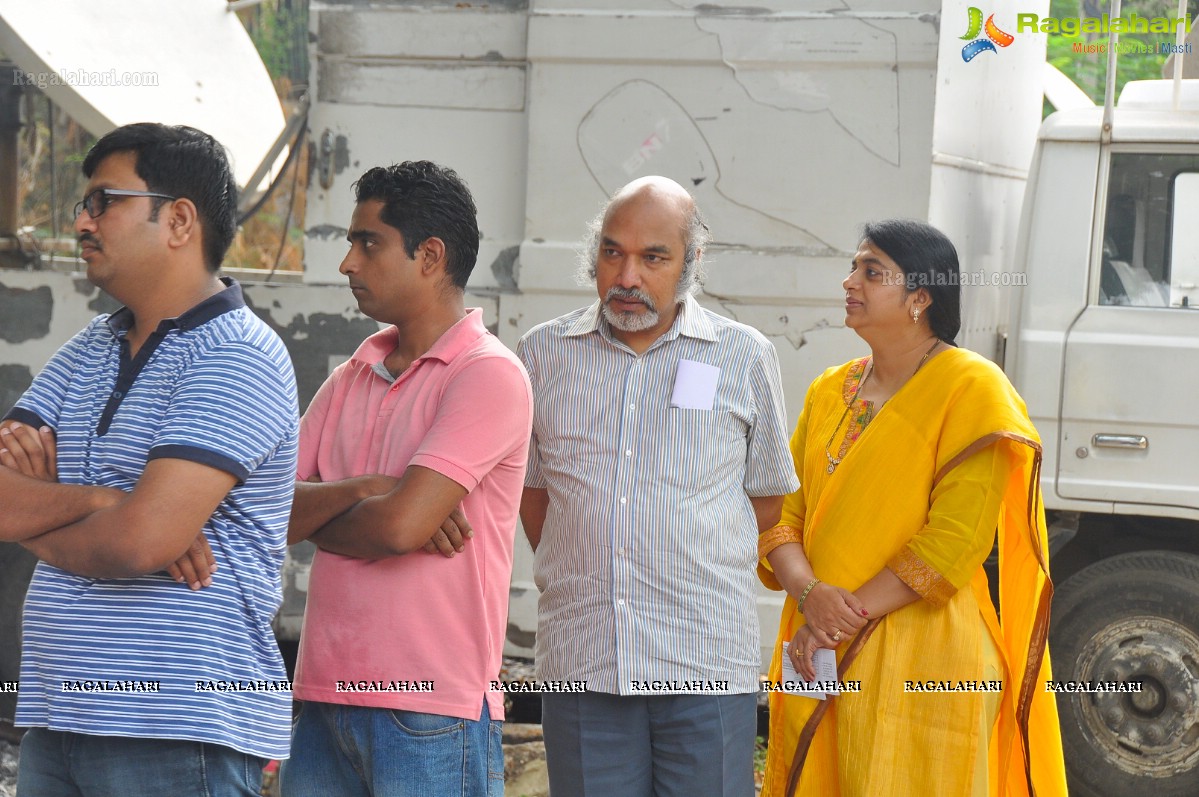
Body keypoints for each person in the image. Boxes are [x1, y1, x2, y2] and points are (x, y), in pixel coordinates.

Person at [0, 123, 298, 796]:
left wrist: (43, 512)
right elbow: (127, 525)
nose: (83, 220)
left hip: (174, 726)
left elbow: (142, 541)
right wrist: (103, 501)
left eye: (105, 200)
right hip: (56, 719)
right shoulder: (87, 350)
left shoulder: (237, 353)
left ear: (179, 220)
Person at [757, 219, 1067, 796]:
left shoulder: (972, 388)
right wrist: (810, 598)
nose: (850, 282)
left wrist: (834, 620)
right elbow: (782, 516)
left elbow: (955, 539)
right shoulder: (831, 389)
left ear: (920, 298)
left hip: (922, 655)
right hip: (817, 644)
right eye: (853, 268)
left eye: (871, 272)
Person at [518, 175, 799, 797]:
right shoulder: (542, 355)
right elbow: (534, 495)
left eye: (654, 257)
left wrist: (681, 549)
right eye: (612, 251)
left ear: (690, 264)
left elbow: (766, 498)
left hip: (703, 665)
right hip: (585, 662)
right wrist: (593, 558)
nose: (627, 275)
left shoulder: (742, 355)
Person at [281, 161, 532, 797]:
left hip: (429, 707)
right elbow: (265, 512)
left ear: (430, 255)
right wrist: (368, 487)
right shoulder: (350, 377)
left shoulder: (487, 375)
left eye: (368, 242)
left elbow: (400, 528)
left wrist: (361, 510)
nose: (348, 263)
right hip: (323, 695)